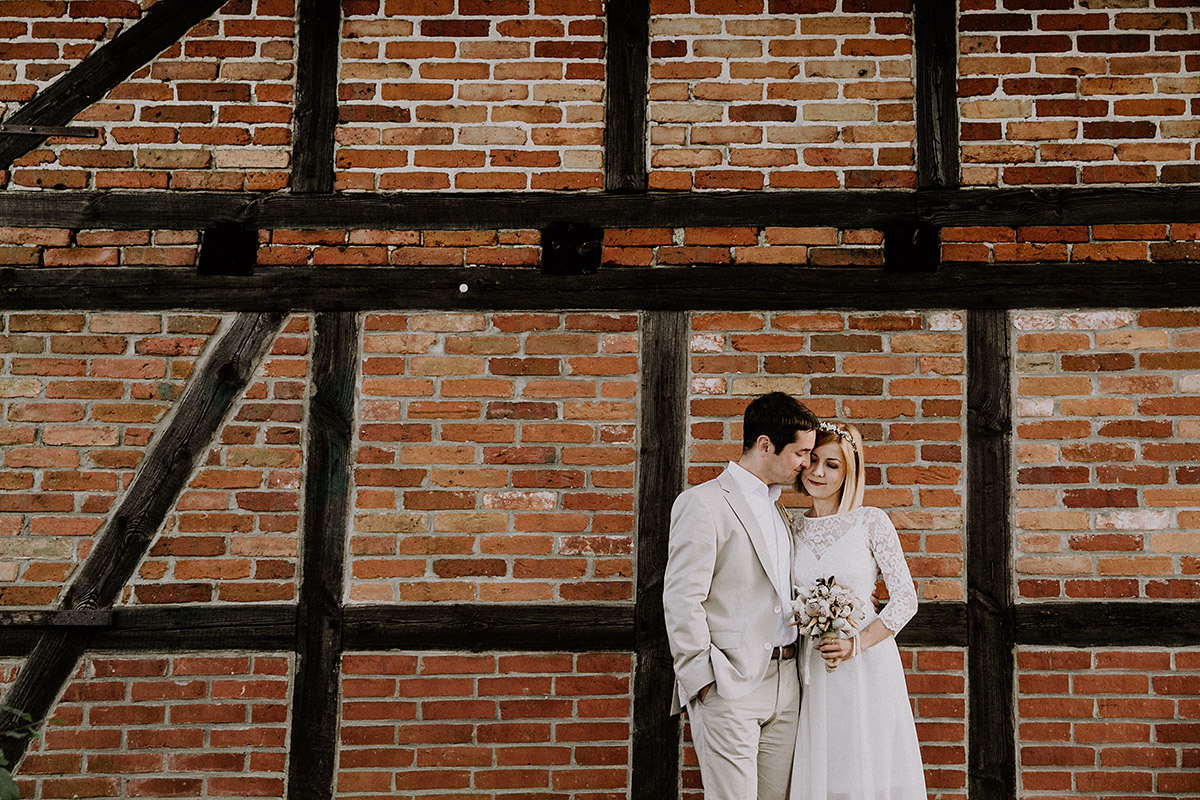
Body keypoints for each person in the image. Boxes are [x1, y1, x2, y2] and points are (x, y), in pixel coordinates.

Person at [663, 391, 820, 800]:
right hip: (729, 684)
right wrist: (702, 681)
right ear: (766, 445)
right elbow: (682, 598)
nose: (807, 464)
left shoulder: (779, 509)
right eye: (801, 453)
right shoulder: (702, 503)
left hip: (788, 684)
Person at [789, 420, 926, 800]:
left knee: (865, 764)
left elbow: (905, 599)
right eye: (813, 460)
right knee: (825, 767)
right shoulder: (790, 525)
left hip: (865, 664)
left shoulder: (870, 522)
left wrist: (856, 644)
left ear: (849, 470)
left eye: (832, 464)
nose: (818, 472)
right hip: (813, 663)